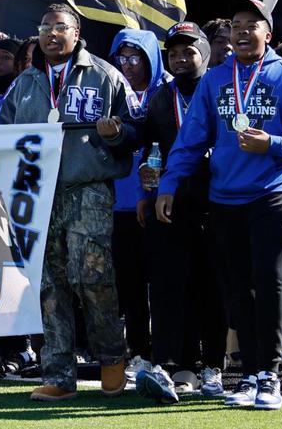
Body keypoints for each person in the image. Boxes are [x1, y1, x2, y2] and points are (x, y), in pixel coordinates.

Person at [156, 0, 282, 411]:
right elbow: (191, 140)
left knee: (271, 283)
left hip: (274, 193)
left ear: (269, 33)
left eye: (252, 24)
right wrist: (169, 184)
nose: (243, 31)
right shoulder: (215, 80)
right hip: (225, 197)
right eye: (236, 25)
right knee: (239, 291)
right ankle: (248, 374)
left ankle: (270, 375)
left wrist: (275, 143)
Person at [0, 3, 132, 402]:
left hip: (86, 189)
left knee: (92, 277)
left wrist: (114, 136)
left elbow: (134, 131)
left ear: (76, 34)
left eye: (60, 27)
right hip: (38, 195)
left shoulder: (105, 76)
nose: (51, 35)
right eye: (44, 28)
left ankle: (111, 357)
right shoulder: (24, 84)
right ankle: (58, 372)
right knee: (48, 286)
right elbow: (1, 135)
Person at [130, 22, 227, 403]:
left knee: (213, 285)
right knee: (173, 285)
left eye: (189, 51)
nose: (181, 59)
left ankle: (214, 365)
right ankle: (181, 366)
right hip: (170, 203)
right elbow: (151, 147)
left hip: (217, 200)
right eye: (173, 53)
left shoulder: (222, 88)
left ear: (203, 52)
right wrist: (146, 190)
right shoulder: (159, 98)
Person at [108, 28, 170, 381]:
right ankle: (139, 353)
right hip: (119, 204)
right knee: (129, 287)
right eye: (122, 57)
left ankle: (166, 352)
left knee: (162, 285)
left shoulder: (166, 92)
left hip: (159, 202)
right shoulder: (111, 92)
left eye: (136, 58)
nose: (128, 65)